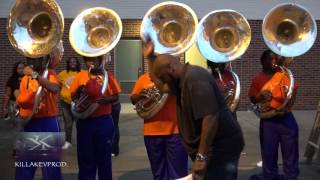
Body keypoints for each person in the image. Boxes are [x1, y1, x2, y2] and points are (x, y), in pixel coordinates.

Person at [150, 48, 244, 179]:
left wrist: (201, 157)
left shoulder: (195, 78)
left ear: (171, 68)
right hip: (213, 148)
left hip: (221, 148)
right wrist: (150, 58)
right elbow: (163, 88)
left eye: (162, 77)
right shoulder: (180, 80)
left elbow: (210, 117)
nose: (163, 81)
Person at [248, 50, 299, 180]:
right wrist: (260, 96)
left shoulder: (284, 75)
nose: (274, 62)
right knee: (269, 153)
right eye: (270, 59)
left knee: (290, 152)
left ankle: (291, 176)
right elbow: (253, 99)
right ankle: (270, 176)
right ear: (263, 62)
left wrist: (287, 106)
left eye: (275, 59)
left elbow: (294, 90)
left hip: (286, 119)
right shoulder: (258, 79)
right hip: (269, 122)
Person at [131, 71, 188, 180]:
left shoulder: (175, 77)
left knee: (179, 174)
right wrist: (141, 95)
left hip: (175, 131)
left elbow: (185, 94)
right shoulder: (144, 78)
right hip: (151, 132)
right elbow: (133, 99)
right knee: (158, 173)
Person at [15, 53, 63, 180]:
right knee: (25, 165)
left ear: (42, 59)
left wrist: (35, 75)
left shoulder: (50, 72)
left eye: (34, 59)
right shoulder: (25, 78)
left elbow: (55, 88)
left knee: (50, 166)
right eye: (29, 58)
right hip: (30, 122)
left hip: (48, 122)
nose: (30, 61)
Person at [69, 55, 118, 180]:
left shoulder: (108, 76)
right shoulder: (81, 76)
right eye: (88, 60)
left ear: (99, 61)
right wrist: (78, 91)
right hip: (85, 122)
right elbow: (73, 97)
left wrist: (105, 100)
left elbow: (116, 97)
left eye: (94, 60)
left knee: (104, 159)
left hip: (103, 121)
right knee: (86, 158)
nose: (91, 63)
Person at [57, 57, 81, 149]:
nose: (72, 63)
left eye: (74, 61)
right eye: (70, 62)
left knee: (79, 123)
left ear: (77, 63)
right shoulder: (62, 74)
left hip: (78, 103)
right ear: (68, 63)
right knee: (68, 123)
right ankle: (68, 141)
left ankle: (81, 141)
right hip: (65, 103)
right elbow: (58, 86)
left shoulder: (81, 73)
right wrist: (62, 95)